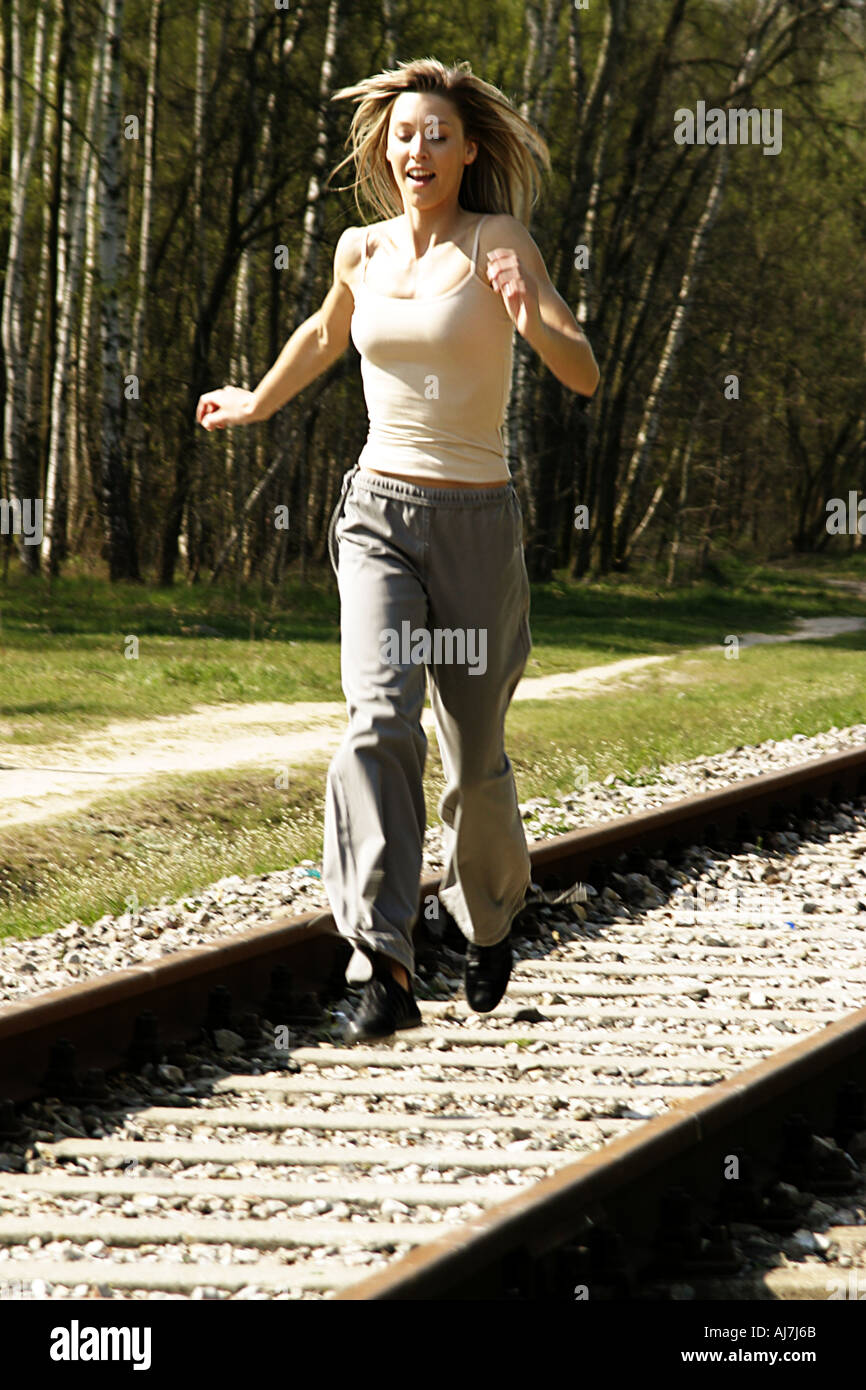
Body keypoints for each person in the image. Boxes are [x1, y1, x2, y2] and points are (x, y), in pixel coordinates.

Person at [195, 58, 599, 1043]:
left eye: (437, 135)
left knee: (472, 756)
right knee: (378, 721)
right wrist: (255, 398)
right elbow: (323, 335)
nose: (417, 149)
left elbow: (578, 369)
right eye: (403, 134)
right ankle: (382, 955)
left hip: (476, 526)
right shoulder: (359, 251)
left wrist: (526, 309)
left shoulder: (496, 240)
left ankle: (490, 916)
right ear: (386, 147)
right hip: (377, 512)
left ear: (467, 152)